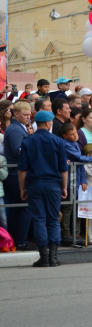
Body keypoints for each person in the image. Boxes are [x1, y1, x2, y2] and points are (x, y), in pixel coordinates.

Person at [18, 110, 68, 267]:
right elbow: (63, 168)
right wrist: (64, 187)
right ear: (47, 123)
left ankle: (44, 256)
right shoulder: (58, 141)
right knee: (53, 219)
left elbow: (22, 170)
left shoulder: (28, 141)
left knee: (39, 219)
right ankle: (53, 257)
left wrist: (22, 189)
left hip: (35, 184)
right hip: (53, 184)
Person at [4, 101, 34, 250]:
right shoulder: (15, 130)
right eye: (25, 114)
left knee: (19, 208)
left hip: (17, 173)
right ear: (16, 114)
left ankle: (18, 239)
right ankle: (21, 240)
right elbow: (19, 151)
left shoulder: (18, 127)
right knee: (23, 207)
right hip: (16, 174)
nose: (28, 117)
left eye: (29, 114)